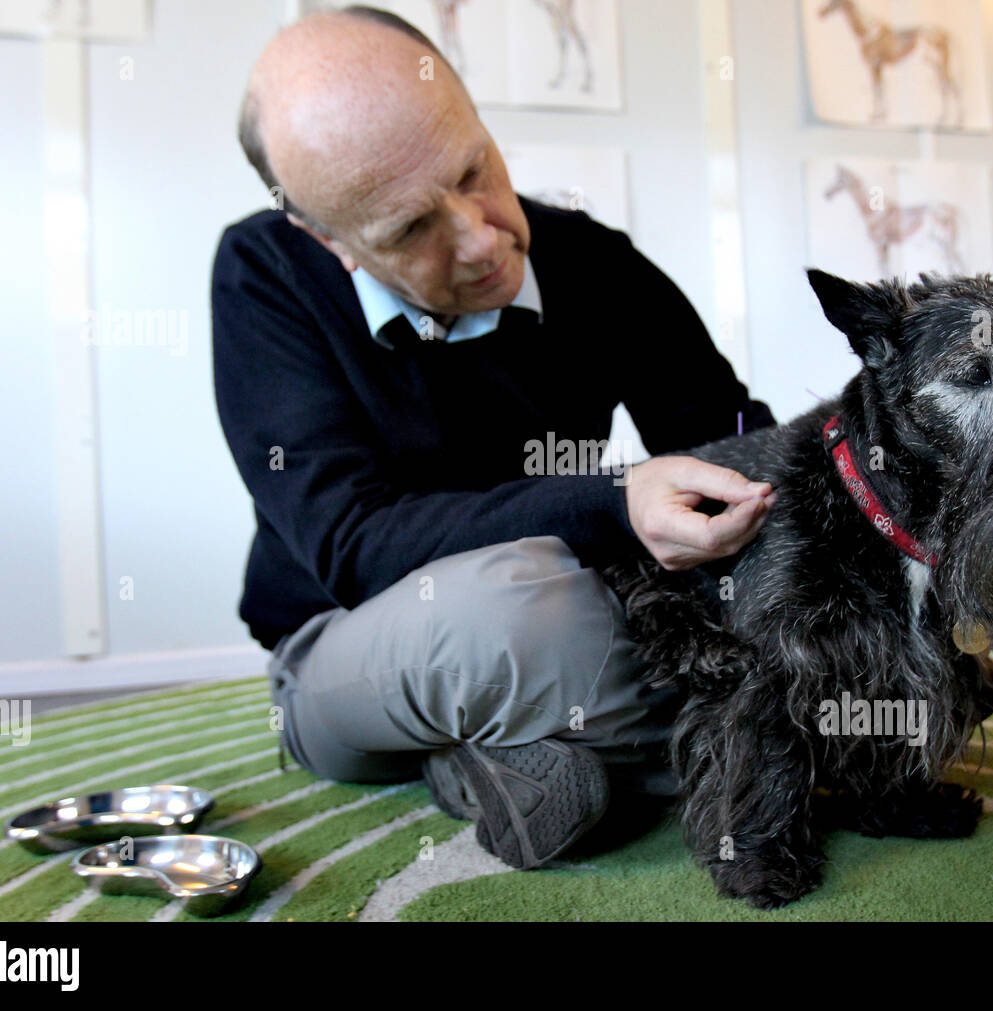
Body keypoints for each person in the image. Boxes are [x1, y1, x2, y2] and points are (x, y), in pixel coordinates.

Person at [212, 5, 777, 870]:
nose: (483, 240)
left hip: (575, 605)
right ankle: (772, 730)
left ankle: (499, 761)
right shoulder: (266, 275)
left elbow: (729, 438)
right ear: (330, 240)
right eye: (409, 229)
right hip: (354, 637)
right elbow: (355, 544)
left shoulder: (592, 259)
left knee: (790, 608)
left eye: (474, 168)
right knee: (511, 609)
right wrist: (617, 502)